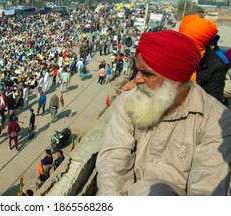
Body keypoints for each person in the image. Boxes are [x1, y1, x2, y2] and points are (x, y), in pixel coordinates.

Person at [96, 30, 231, 196]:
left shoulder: (215, 121)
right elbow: (114, 160)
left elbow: (205, 191)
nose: (136, 79)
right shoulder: (128, 101)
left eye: (147, 73)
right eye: (137, 70)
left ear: (175, 80)